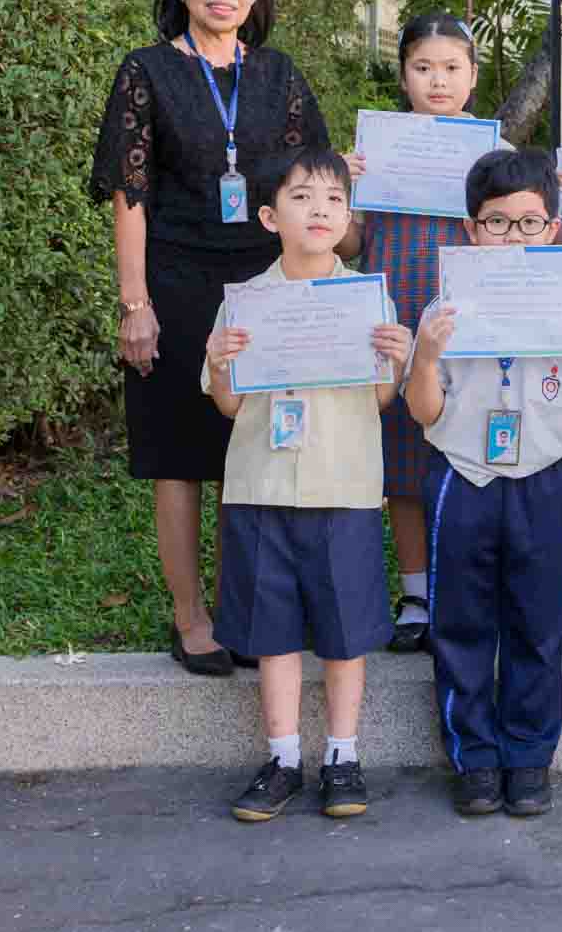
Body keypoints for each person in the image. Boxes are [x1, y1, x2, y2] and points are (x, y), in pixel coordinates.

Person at [89, 0, 331, 677]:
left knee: (250, 448)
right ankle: (190, 615)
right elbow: (129, 193)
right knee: (179, 456)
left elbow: (315, 180)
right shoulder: (147, 71)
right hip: (176, 282)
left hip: (263, 285)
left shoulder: (280, 76)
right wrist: (135, 303)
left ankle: (241, 608)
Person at [405, 148, 562, 818]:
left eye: (530, 222)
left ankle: (529, 755)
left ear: (554, 229)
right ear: (470, 230)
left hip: (543, 475)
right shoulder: (444, 309)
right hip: (463, 477)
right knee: (461, 622)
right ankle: (474, 758)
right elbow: (425, 411)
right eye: (497, 222)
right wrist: (426, 356)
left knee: (538, 623)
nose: (513, 236)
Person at [200, 149, 414, 821]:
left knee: (345, 631)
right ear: (270, 216)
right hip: (262, 486)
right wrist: (219, 363)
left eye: (333, 199)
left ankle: (342, 757)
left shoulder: (369, 299)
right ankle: (284, 758)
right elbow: (229, 406)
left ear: (348, 217)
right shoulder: (244, 303)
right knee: (273, 631)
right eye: (301, 197)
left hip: (343, 486)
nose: (319, 210)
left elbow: (381, 397)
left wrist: (396, 360)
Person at [338, 13, 485, 654]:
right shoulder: (378, 152)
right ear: (403, 77)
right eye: (423, 68)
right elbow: (350, 243)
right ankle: (416, 593)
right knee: (401, 462)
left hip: (466, 328)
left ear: (472, 77)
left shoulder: (492, 155)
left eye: (451, 68)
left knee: (461, 452)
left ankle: (460, 589)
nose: (438, 81)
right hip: (393, 323)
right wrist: (341, 192)